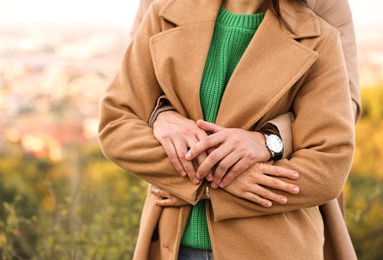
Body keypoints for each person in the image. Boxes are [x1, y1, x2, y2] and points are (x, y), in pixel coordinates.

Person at [99, 0, 355, 259]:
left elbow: (330, 163)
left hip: (274, 247)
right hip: (174, 244)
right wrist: (218, 179)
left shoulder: (320, 35)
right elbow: (117, 122)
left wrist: (264, 142)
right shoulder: (163, 12)